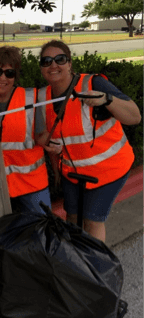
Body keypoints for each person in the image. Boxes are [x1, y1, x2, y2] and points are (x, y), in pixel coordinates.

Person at [35, 40, 141, 242]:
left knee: (92, 220)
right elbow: (49, 138)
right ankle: (78, 260)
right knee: (73, 218)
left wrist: (107, 99)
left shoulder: (93, 84)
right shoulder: (42, 97)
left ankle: (95, 267)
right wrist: (57, 172)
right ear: (41, 68)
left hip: (109, 169)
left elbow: (134, 117)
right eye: (46, 61)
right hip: (73, 173)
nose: (53, 65)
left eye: (60, 59)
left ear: (69, 63)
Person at [0, 46, 58, 214]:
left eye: (9, 73)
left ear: (15, 76)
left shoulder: (31, 99)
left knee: (43, 232)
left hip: (31, 185)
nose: (2, 78)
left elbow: (41, 137)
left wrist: (55, 140)